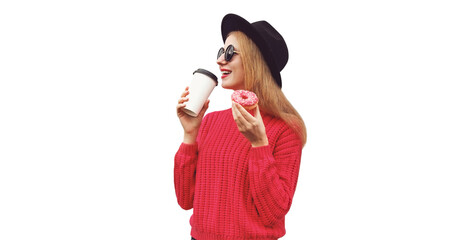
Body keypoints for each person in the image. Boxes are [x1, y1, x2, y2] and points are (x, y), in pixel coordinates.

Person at [175, 13, 307, 240]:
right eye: (220, 51)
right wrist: (189, 134)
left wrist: (259, 144)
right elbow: (186, 199)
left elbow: (273, 212)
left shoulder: (286, 129)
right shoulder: (210, 122)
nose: (220, 60)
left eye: (229, 53)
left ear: (256, 61)